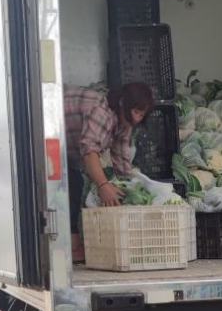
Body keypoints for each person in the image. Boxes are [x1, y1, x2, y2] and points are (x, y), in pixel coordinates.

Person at [63, 80, 155, 261]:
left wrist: (130, 187)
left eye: (142, 115)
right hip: (44, 130)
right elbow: (89, 151)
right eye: (136, 112)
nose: (138, 119)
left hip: (68, 149)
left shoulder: (124, 121)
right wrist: (103, 185)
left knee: (75, 182)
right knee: (72, 184)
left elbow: (121, 158)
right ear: (123, 104)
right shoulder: (101, 113)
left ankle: (73, 244)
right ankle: (71, 246)